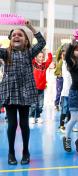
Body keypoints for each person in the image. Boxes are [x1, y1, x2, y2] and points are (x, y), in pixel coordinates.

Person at [0, 21, 46, 165]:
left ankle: (26, 151)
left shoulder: (29, 52)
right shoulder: (5, 53)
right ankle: (11, 152)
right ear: (10, 39)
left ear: (26, 40)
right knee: (12, 124)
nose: (16, 36)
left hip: (26, 91)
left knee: (24, 124)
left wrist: (31, 28)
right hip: (10, 91)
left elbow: (42, 42)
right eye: (14, 35)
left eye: (20, 35)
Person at [29, 51, 52, 123]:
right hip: (34, 88)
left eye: (43, 57)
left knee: (40, 105)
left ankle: (38, 116)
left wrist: (49, 53)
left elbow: (49, 60)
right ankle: (31, 116)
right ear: (36, 58)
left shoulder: (45, 65)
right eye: (40, 57)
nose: (41, 58)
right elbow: (31, 57)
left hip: (42, 88)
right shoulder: (34, 64)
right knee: (33, 104)